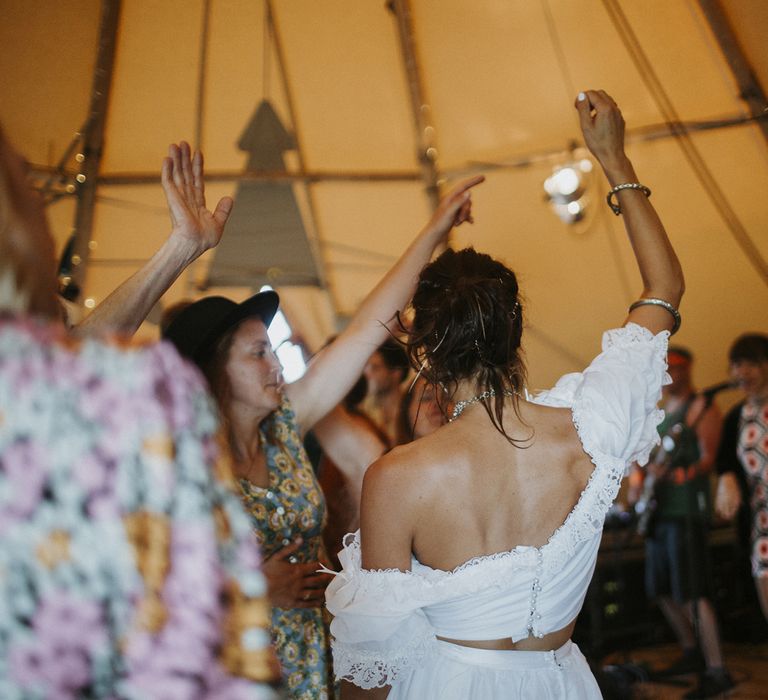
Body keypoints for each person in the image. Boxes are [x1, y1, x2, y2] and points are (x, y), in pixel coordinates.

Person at [325, 89, 685, 699]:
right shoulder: (592, 425)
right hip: (558, 684)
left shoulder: (398, 476)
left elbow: (374, 665)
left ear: (423, 350)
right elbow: (664, 290)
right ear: (514, 332)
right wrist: (614, 160)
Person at [162, 166, 483, 698]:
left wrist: (433, 232)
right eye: (258, 354)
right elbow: (143, 581)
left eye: (273, 350)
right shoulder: (181, 461)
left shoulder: (285, 427)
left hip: (310, 655)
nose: (276, 366)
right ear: (215, 372)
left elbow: (364, 331)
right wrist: (249, 591)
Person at [0, 127, 278, 697]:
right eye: (28, 185)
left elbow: (74, 350)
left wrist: (182, 245)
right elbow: (199, 623)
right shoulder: (139, 387)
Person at [629, 347, 732, 698]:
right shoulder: (657, 412)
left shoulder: (702, 408)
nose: (673, 373)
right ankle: (691, 651)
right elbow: (641, 461)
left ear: (689, 368)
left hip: (686, 510)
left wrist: (675, 476)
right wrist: (638, 480)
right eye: (667, 367)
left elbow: (708, 460)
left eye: (679, 367)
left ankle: (717, 668)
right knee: (660, 589)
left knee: (691, 590)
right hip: (657, 512)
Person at [715, 333, 768, 624]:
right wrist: (727, 480)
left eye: (752, 363)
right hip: (761, 522)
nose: (742, 372)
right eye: (737, 364)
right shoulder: (737, 416)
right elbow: (725, 462)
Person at [362, 339, 410, 445]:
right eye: (366, 369)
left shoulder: (410, 412)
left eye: (375, 368)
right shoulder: (368, 415)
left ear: (396, 373)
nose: (368, 376)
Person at [394, 375, 446, 446]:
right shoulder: (394, 456)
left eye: (446, 398)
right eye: (427, 398)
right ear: (407, 410)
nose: (438, 403)